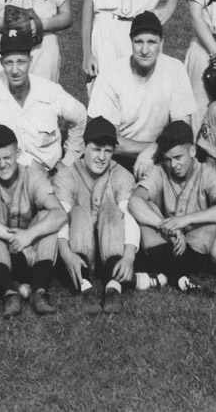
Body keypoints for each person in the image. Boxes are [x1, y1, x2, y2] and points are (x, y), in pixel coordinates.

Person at [0, 126, 68, 318]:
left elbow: (60, 214)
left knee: (47, 218)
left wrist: (29, 235)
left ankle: (39, 292)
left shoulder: (32, 174)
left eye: (7, 157)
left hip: (29, 254)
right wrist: (16, 238)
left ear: (18, 153)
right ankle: (10, 293)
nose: (2, 164)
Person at [82, 12, 199, 159]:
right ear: (130, 41)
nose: (144, 50)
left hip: (161, 158)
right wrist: (152, 149)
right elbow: (103, 140)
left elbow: (183, 133)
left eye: (151, 42)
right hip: (119, 159)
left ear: (161, 43)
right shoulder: (111, 73)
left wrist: (154, 152)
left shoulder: (176, 69)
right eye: (139, 42)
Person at [135, 122, 216, 292]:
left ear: (192, 151)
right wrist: (166, 226)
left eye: (178, 158)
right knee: (146, 209)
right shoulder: (159, 170)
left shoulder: (207, 174)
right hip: (168, 241)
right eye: (168, 159)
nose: (173, 165)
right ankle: (179, 277)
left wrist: (185, 220)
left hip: (194, 244)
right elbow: (135, 201)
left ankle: (164, 275)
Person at [60, 116, 144, 315]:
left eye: (107, 151)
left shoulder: (122, 175)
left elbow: (129, 216)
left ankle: (113, 286)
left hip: (111, 248)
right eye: (96, 149)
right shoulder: (67, 174)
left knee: (111, 209)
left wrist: (129, 257)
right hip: (78, 248)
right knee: (78, 211)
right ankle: (85, 286)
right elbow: (60, 218)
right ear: (83, 147)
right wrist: (66, 253)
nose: (101, 157)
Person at [0, 30, 88, 174]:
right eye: (9, 62)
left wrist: (67, 163)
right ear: (1, 63)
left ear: (30, 60)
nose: (15, 70)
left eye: (21, 62)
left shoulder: (50, 91)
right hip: (9, 176)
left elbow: (80, 116)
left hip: (50, 174)